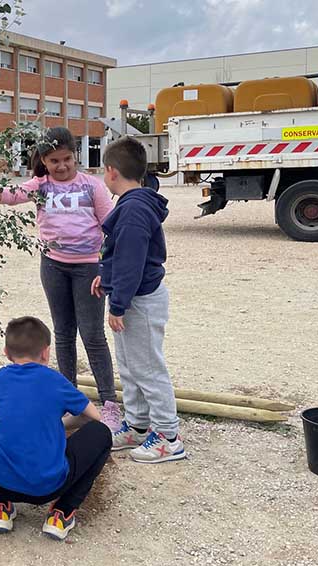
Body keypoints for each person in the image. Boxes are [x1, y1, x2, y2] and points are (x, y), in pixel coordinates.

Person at [0, 127, 121, 432]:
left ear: (75, 156)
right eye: (54, 161)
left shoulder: (92, 187)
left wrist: (108, 268)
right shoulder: (40, 186)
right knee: (63, 334)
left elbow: (112, 228)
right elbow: (7, 196)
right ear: (43, 160)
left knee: (92, 334)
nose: (62, 166)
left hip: (89, 269)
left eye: (67, 159)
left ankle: (108, 405)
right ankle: (67, 400)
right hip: (53, 267)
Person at [0, 316, 111, 540]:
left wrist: (6, 421)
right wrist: (58, 424)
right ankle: (62, 513)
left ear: (6, 352)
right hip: (50, 487)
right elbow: (94, 416)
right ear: (46, 352)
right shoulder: (56, 380)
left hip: (1, 481)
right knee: (102, 433)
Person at [93, 136, 186, 464]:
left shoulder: (133, 210)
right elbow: (121, 256)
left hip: (140, 302)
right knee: (131, 366)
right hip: (131, 297)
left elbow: (132, 262)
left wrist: (117, 304)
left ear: (112, 172)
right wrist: (107, 277)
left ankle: (168, 437)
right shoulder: (131, 204)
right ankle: (137, 424)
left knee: (147, 367)